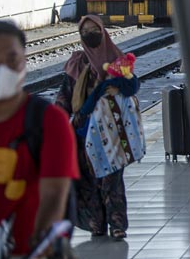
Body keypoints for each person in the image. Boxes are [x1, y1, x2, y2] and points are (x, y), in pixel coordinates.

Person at [0, 21, 78, 256]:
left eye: (12, 59)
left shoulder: (49, 121)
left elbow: (54, 195)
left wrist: (37, 246)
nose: (2, 69)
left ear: (24, 63)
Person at [56, 15, 135, 239]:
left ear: (103, 31)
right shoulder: (76, 65)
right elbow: (64, 98)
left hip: (112, 132)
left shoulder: (118, 60)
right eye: (86, 32)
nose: (91, 35)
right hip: (84, 134)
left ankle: (117, 224)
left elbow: (131, 88)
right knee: (89, 181)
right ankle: (96, 223)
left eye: (94, 30)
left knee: (112, 180)